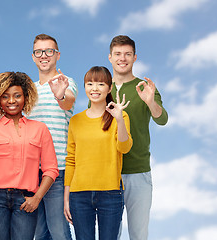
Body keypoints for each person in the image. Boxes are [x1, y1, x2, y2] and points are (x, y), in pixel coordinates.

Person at [0, 72, 59, 240]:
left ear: (25, 97)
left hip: (26, 199)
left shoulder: (40, 129)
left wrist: (37, 198)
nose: (11, 101)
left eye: (17, 96)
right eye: (5, 97)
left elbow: (51, 170)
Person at [108, 35, 168, 240]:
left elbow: (162, 119)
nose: (122, 58)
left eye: (127, 54)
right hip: (108, 174)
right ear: (110, 57)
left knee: (139, 234)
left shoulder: (145, 87)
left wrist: (150, 102)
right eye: (118, 54)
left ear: (135, 58)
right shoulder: (101, 89)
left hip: (139, 172)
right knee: (110, 235)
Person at [64, 66, 133, 240]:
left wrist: (118, 118)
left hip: (110, 193)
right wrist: (66, 197)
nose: (94, 88)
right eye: (90, 83)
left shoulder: (120, 116)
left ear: (109, 88)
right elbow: (71, 160)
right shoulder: (76, 121)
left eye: (101, 84)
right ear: (85, 87)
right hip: (79, 194)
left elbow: (124, 148)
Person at [28, 33, 77, 240]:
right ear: (33, 56)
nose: (44, 55)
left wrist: (60, 94)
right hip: (31, 172)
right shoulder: (28, 90)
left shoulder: (66, 82)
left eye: (49, 51)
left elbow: (68, 101)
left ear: (57, 55)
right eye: (39, 51)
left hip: (58, 169)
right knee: (38, 233)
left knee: (59, 231)